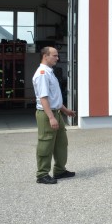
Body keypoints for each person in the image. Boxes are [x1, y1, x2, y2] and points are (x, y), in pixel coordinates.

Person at [33, 46, 77, 185]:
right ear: (45, 56)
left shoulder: (49, 72)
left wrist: (65, 110)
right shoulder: (42, 74)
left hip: (55, 112)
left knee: (61, 143)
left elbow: (54, 98)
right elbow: (44, 98)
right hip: (47, 114)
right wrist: (51, 117)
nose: (57, 58)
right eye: (55, 55)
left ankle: (59, 171)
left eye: (57, 55)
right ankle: (42, 174)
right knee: (46, 144)